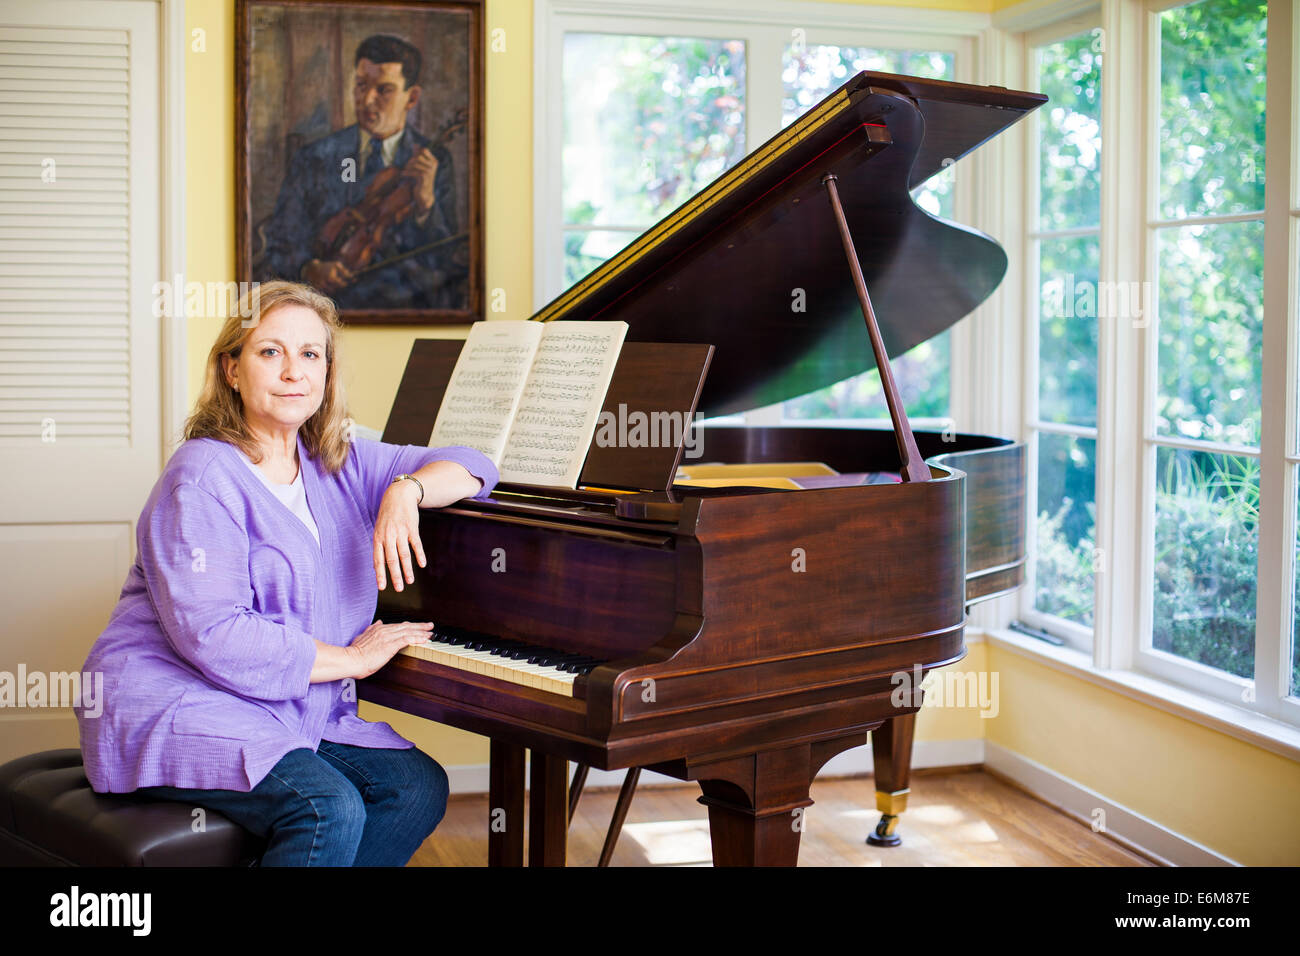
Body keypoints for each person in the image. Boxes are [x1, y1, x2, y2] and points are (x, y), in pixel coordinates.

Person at [74, 280, 498, 866]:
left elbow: (476, 465)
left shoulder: (337, 461)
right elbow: (215, 635)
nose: (293, 371)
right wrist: (351, 660)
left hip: (288, 705)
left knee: (416, 787)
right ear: (231, 369)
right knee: (327, 807)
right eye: (270, 351)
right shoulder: (200, 477)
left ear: (326, 372)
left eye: (310, 354)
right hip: (179, 698)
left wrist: (409, 488)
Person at [260, 34, 463, 310]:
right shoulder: (315, 157)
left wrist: (426, 203)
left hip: (409, 313)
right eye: (361, 85)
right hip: (328, 314)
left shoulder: (436, 161)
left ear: (412, 97)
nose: (367, 99)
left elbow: (447, 261)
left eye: (384, 90)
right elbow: (281, 240)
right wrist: (309, 269)